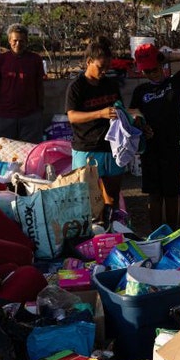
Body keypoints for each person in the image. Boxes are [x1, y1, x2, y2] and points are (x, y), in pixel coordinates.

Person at [129, 43, 180, 231]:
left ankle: (172, 233)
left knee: (171, 194)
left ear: (160, 65)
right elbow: (132, 113)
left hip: (171, 145)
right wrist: (141, 125)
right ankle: (156, 234)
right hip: (150, 148)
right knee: (154, 194)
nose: (151, 74)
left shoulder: (175, 83)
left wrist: (167, 57)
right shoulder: (140, 91)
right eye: (146, 71)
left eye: (154, 68)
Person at [65, 36, 127, 222]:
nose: (104, 71)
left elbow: (120, 109)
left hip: (111, 147)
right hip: (86, 148)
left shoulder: (110, 84)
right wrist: (100, 113)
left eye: (107, 67)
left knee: (112, 196)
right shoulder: (76, 87)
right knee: (86, 198)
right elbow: (72, 116)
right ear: (89, 62)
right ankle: (90, 235)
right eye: (101, 67)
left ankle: (112, 229)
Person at [0, 24, 45, 142]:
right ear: (9, 41)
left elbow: (39, 86)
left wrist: (40, 110)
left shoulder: (35, 60)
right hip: (5, 115)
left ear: (27, 41)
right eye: (15, 40)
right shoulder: (0, 59)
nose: (18, 44)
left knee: (30, 153)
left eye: (22, 41)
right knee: (5, 154)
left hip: (30, 116)